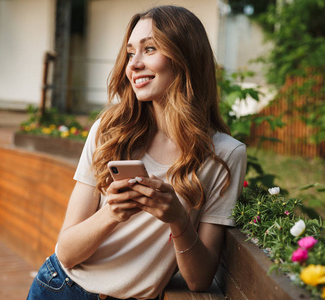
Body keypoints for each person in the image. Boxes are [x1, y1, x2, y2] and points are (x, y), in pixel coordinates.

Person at [27, 5, 247, 300]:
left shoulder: (224, 155)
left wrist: (179, 220)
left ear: (186, 57)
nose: (133, 64)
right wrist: (111, 214)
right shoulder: (110, 131)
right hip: (61, 289)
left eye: (150, 49)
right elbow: (66, 253)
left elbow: (199, 280)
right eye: (131, 53)